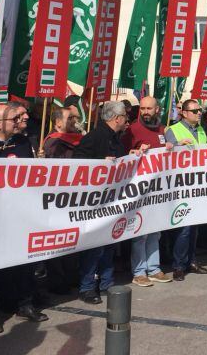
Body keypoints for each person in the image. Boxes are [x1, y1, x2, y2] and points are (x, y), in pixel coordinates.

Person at [0, 104, 48, 334]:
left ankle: (25, 303)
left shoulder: (23, 143)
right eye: (15, 118)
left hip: (18, 215)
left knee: (23, 259)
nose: (20, 120)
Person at [72, 101, 129, 303]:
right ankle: (87, 287)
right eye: (124, 116)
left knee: (108, 243)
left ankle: (107, 282)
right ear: (116, 118)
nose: (126, 120)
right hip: (95, 201)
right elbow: (77, 161)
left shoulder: (116, 137)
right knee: (94, 246)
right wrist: (98, 164)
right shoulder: (95, 137)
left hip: (111, 200)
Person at [121, 97, 173, 286]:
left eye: (149, 108)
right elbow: (123, 154)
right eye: (142, 108)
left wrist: (170, 146)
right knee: (140, 233)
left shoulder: (161, 129)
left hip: (158, 189)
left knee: (155, 230)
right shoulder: (132, 129)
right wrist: (133, 151)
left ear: (157, 109)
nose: (145, 111)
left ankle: (154, 268)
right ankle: (139, 271)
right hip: (139, 189)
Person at [164, 99, 207, 281]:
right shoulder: (173, 130)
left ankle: (191, 260)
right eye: (195, 111)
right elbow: (166, 154)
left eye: (199, 110)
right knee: (183, 228)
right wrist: (177, 146)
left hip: (198, 183)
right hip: (181, 184)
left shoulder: (200, 129)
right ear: (184, 113)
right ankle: (178, 265)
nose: (199, 113)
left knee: (195, 226)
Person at [41, 107, 83, 295]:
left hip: (74, 197)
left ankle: (72, 275)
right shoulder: (52, 143)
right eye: (69, 118)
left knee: (72, 238)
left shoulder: (76, 138)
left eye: (75, 117)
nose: (74, 120)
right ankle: (58, 281)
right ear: (58, 122)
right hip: (57, 198)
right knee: (58, 241)